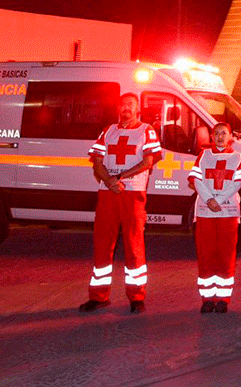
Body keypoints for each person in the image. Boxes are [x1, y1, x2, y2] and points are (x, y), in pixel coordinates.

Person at [80, 93, 162, 314]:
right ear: (118, 108)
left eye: (131, 105)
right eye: (123, 104)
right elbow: (96, 162)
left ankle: (136, 297)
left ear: (137, 110)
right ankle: (98, 296)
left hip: (132, 193)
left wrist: (120, 178)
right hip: (108, 193)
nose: (126, 108)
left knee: (134, 245)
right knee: (102, 245)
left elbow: (148, 161)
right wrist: (109, 181)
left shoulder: (147, 131)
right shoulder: (108, 131)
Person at [188, 121, 241, 313]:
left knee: (226, 254)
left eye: (224, 133)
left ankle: (223, 298)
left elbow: (238, 183)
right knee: (205, 253)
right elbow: (196, 180)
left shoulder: (237, 157)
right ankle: (207, 298)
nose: (220, 137)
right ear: (212, 137)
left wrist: (218, 200)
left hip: (228, 212)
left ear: (230, 136)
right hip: (206, 213)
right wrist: (209, 200)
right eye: (217, 133)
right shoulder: (203, 156)